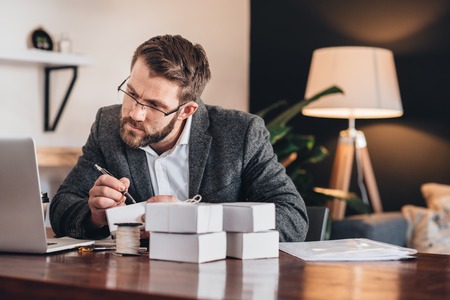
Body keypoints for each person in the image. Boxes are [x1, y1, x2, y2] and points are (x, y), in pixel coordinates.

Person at [50, 34, 308, 242]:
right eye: (131, 93)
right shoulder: (108, 125)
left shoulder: (241, 133)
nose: (135, 113)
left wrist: (194, 218)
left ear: (187, 110)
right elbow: (62, 208)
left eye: (154, 105)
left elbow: (293, 218)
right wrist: (95, 215)